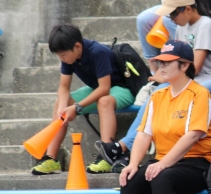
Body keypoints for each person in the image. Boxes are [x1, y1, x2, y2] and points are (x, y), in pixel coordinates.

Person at [97, 0, 211, 170]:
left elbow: (194, 66)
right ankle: (124, 149)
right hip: (183, 78)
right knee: (156, 95)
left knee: (158, 92)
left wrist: (164, 77)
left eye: (173, 14)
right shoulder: (183, 27)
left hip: (204, 79)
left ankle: (122, 148)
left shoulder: (206, 25)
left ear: (188, 9)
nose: (170, 19)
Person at [119, 40, 211, 194]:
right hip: (165, 163)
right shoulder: (157, 96)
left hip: (197, 164)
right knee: (129, 180)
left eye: (167, 62)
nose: (161, 66)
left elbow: (192, 136)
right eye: (160, 62)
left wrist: (163, 164)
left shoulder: (200, 94)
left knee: (163, 178)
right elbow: (143, 134)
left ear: (185, 65)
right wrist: (133, 164)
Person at [32, 25, 135, 175]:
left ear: (77, 47)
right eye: (59, 56)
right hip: (98, 88)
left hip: (122, 88)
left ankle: (107, 156)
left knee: (104, 101)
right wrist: (63, 107)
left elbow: (104, 88)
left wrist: (76, 107)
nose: (62, 59)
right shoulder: (68, 57)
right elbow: (63, 87)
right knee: (61, 102)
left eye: (63, 55)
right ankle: (51, 158)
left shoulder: (97, 52)